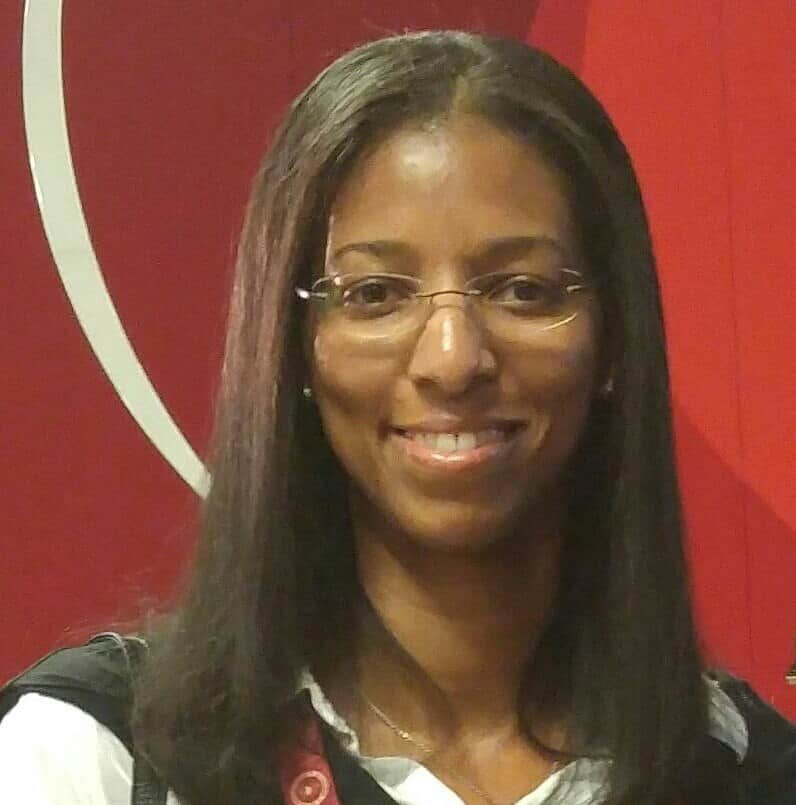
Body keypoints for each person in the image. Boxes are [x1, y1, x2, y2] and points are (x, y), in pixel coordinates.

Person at [1, 30, 794, 805]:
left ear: (615, 338)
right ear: (295, 346)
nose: (452, 359)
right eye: (374, 294)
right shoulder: (93, 759)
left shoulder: (747, 773)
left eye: (522, 289)